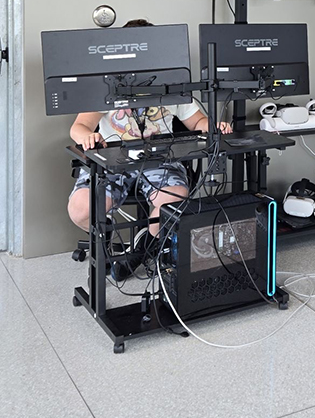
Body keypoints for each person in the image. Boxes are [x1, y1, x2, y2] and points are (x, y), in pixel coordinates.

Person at [68, 19, 232, 269]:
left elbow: (197, 120)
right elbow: (78, 127)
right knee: (81, 210)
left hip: (160, 161)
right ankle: (109, 231)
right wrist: (87, 138)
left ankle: (140, 250)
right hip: (113, 162)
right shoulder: (107, 83)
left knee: (173, 204)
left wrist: (213, 127)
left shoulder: (173, 82)